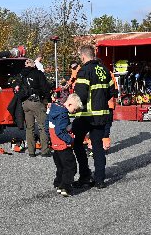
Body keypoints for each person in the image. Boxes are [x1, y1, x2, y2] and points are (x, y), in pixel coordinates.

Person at [71, 45, 117, 188]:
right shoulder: (104, 70)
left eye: (80, 56)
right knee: (97, 146)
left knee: (77, 144)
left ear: (83, 56)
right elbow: (111, 92)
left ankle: (85, 176)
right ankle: (100, 180)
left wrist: (70, 107)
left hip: (86, 115)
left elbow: (81, 95)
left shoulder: (84, 71)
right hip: (102, 115)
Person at [48, 93, 83, 197]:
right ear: (70, 104)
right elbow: (60, 131)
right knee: (70, 166)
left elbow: (47, 125)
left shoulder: (53, 109)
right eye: (75, 110)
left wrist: (50, 137)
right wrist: (70, 140)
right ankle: (66, 187)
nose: (74, 112)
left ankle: (59, 183)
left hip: (55, 144)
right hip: (63, 145)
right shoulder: (63, 114)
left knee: (60, 166)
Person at [17, 58, 51, 157]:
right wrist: (48, 100)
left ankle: (31, 152)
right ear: (33, 65)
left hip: (25, 103)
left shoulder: (21, 75)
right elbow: (45, 88)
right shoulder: (38, 73)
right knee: (42, 127)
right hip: (36, 102)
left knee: (29, 128)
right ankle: (45, 151)